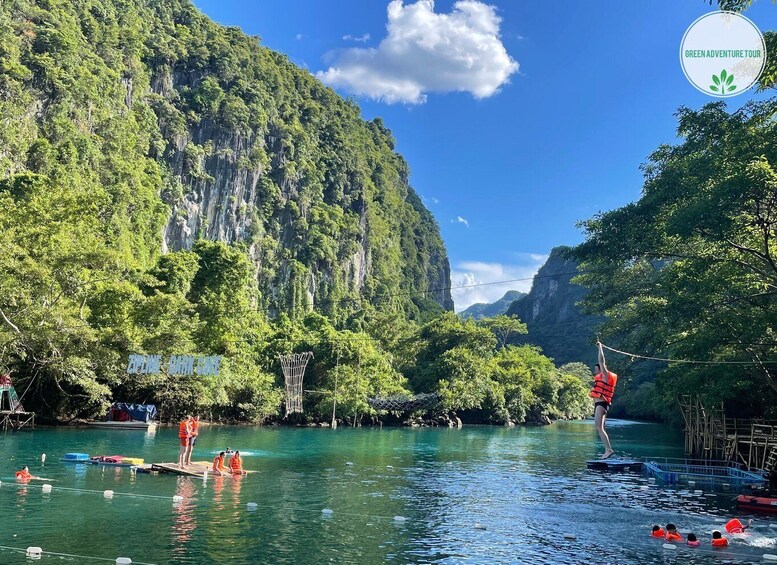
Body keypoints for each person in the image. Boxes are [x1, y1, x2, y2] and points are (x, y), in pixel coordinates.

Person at [590, 340, 618, 459]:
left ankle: (608, 450)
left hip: (602, 404)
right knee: (601, 428)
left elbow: (602, 361)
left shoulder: (605, 376)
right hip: (601, 404)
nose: (595, 371)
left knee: (599, 427)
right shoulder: (600, 377)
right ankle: (608, 449)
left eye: (597, 369)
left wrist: (600, 347)